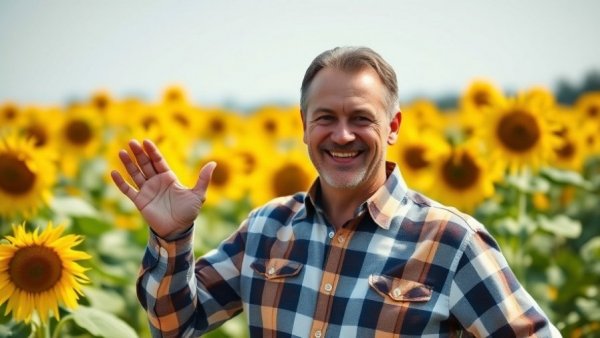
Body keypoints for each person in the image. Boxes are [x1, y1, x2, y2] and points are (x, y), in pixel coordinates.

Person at [111, 46, 561, 337]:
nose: (342, 135)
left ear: (393, 128)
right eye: (326, 117)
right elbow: (175, 324)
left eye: (361, 118)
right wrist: (171, 238)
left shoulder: (450, 242)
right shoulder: (267, 228)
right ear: (305, 127)